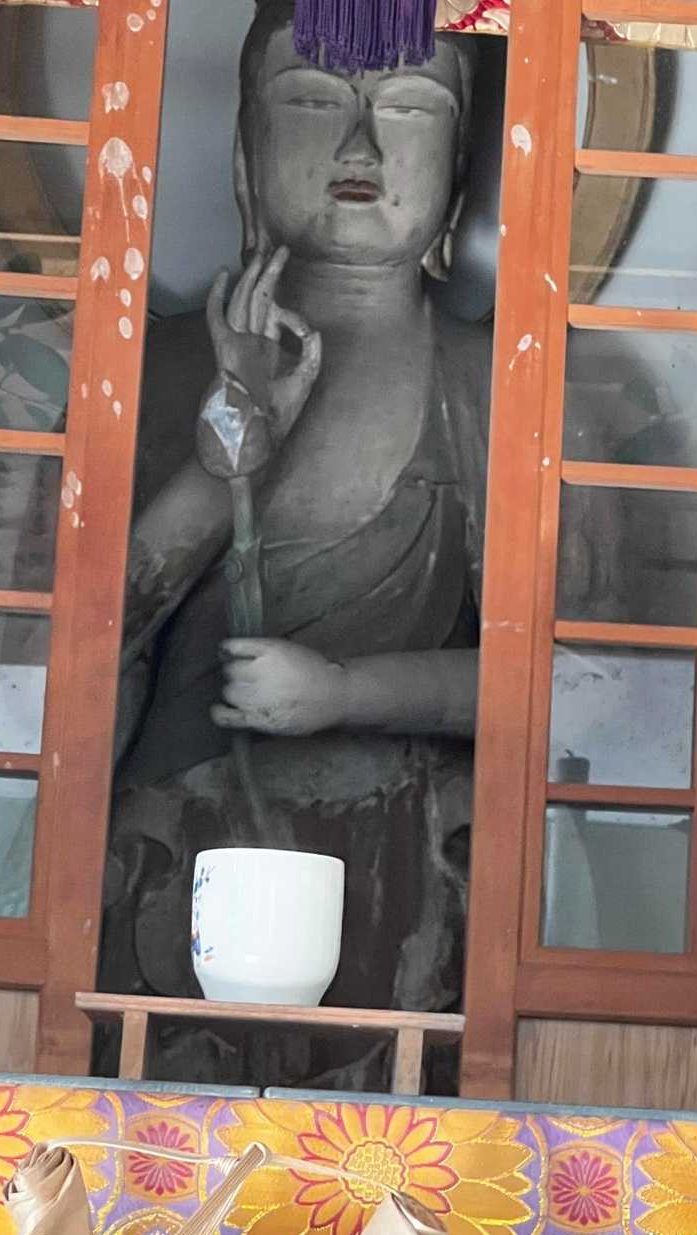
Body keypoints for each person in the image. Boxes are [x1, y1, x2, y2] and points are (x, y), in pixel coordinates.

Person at [101, 0, 496, 1087]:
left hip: (413, 888)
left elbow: (587, 691)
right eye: (314, 103)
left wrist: (350, 691)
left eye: (408, 110)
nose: (360, 146)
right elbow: (63, 661)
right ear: (245, 154)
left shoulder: (509, 389)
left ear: (462, 170)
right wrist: (222, 462)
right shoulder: (138, 369)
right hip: (168, 882)